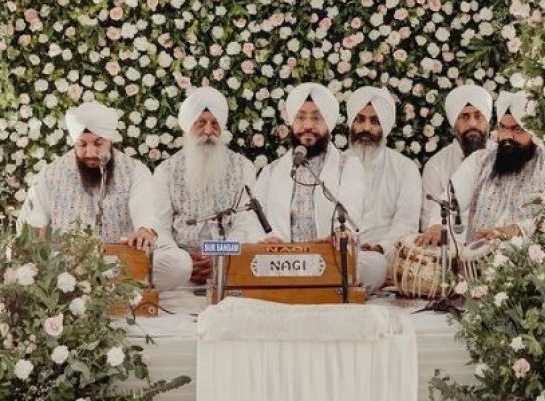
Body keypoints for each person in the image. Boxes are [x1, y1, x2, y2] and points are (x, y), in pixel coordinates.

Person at [16, 101, 182, 289]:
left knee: (178, 264)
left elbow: (145, 207)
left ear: (110, 140)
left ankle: (121, 287)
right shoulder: (50, 175)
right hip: (67, 268)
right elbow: (30, 222)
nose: (90, 152)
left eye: (98, 143)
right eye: (82, 144)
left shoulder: (135, 170)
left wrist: (144, 229)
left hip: (122, 262)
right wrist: (36, 238)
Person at [254, 82, 382, 287]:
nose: (307, 126)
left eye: (316, 117)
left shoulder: (347, 165)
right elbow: (252, 219)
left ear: (329, 123)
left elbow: (352, 203)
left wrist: (342, 231)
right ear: (291, 123)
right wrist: (264, 240)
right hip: (280, 261)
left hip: (329, 257)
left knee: (376, 266)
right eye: (300, 117)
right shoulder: (271, 171)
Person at [153, 87, 259, 287]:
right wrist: (183, 260)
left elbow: (245, 224)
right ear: (187, 126)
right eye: (200, 123)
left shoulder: (243, 167)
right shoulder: (166, 171)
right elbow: (160, 227)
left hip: (230, 264)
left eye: (215, 124)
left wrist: (218, 256)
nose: (208, 131)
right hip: (180, 267)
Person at [418, 91, 545, 246]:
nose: (507, 136)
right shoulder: (479, 161)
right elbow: (450, 198)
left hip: (530, 261)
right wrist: (437, 225)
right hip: (476, 261)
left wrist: (517, 230)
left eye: (517, 129)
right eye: (503, 128)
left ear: (533, 132)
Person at [346, 86, 422, 290]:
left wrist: (380, 247)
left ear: (385, 127)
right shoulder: (336, 165)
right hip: (337, 255)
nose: (366, 128)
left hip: (380, 258)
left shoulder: (405, 168)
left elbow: (407, 224)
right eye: (359, 119)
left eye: (375, 121)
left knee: (374, 266)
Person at [420, 84, 493, 232]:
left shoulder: (504, 157)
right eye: (464, 117)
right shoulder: (436, 166)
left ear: (488, 121)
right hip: (451, 247)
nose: (472, 123)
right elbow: (429, 224)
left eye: (478, 116)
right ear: (454, 124)